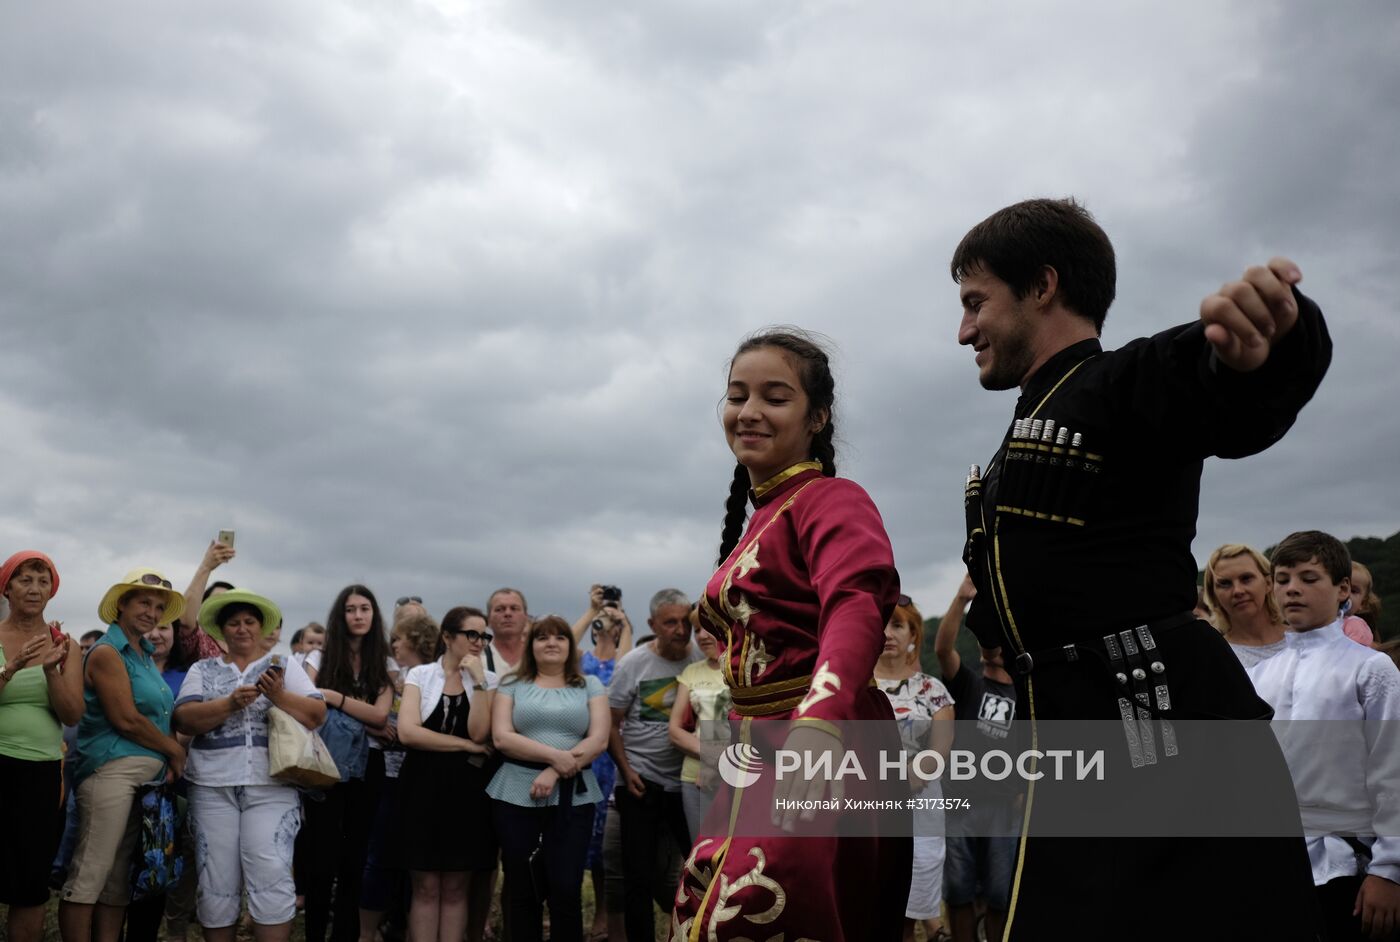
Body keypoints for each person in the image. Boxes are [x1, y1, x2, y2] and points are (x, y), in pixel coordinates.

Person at [949, 197, 1329, 938]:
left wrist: (1270, 339)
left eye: (975, 303)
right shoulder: (1031, 420)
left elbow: (1216, 379)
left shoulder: (1122, 383)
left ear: (1043, 286)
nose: (963, 330)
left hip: (1157, 734)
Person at [672, 329, 911, 942]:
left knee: (767, 909)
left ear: (818, 417)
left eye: (774, 398)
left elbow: (856, 604)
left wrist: (820, 719)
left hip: (821, 746)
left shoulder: (831, 500)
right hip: (758, 752)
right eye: (736, 395)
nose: (748, 412)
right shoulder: (764, 517)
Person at [1248, 531, 1400, 941]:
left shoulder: (1371, 669)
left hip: (1350, 867)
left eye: (1309, 578)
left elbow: (1392, 768)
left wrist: (1390, 869)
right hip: (1272, 866)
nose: (1292, 589)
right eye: (1282, 579)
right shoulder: (1258, 676)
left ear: (1343, 590)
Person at [173, 588, 325, 942]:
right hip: (212, 786)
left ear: (260, 628)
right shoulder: (203, 669)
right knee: (216, 878)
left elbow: (317, 714)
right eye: (234, 623)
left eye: (249, 622)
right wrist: (228, 704)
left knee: (271, 872)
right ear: (222, 631)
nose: (242, 629)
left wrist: (279, 696)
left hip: (272, 785)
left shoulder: (285, 665)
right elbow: (183, 719)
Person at [59, 569, 188, 942]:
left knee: (118, 878)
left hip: (144, 778)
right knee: (91, 872)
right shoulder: (106, 651)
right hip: (110, 770)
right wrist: (174, 751)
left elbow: (157, 715)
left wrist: (166, 756)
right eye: (143, 603)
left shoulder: (144, 655)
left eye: (159, 607)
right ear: (121, 606)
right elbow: (127, 719)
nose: (152, 612)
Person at [487, 615, 609, 942]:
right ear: (532, 645)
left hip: (574, 796)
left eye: (560, 637)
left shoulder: (590, 686)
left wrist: (555, 770)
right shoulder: (512, 683)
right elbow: (501, 736)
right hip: (515, 794)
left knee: (566, 888)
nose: (551, 643)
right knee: (522, 889)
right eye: (542, 637)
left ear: (571, 646)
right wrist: (554, 756)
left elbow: (599, 739)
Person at [397, 606, 497, 942]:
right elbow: (408, 733)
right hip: (421, 786)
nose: (479, 642)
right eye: (472, 634)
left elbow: (481, 733)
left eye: (484, 636)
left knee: (457, 886)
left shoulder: (490, 681)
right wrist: (464, 746)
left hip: (468, 791)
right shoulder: (420, 676)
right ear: (447, 637)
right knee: (425, 884)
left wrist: (480, 681)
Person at [302, 586, 394, 942]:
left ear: (374, 615)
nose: (358, 616)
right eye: (351, 609)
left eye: (365, 608)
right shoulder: (317, 658)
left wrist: (334, 697)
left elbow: (382, 714)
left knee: (355, 860)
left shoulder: (385, 664)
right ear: (340, 616)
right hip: (324, 761)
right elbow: (309, 706)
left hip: (369, 765)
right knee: (321, 859)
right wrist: (362, 714)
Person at [932, 574, 1020, 942]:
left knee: (1001, 894)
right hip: (959, 802)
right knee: (958, 889)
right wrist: (962, 598)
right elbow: (942, 650)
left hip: (1005, 807)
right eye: (984, 639)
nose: (989, 644)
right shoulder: (968, 683)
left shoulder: (1026, 696)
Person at [609, 589, 700, 942]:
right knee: (637, 875)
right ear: (653, 625)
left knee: (697, 866)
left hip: (688, 780)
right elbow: (612, 723)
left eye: (685, 622)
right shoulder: (633, 664)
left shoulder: (699, 657)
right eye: (670, 623)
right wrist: (626, 770)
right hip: (640, 779)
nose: (681, 630)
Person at [0, 551, 81, 942]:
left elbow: (71, 715)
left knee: (31, 881)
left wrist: (51, 670)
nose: (34, 589)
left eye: (42, 581)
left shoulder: (65, 645)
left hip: (40, 771)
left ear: (52, 590)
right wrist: (11, 667)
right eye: (25, 579)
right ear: (7, 587)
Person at [875, 596, 954, 942]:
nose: (888, 633)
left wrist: (911, 777)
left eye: (897, 624)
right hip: (865, 807)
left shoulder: (932, 690)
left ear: (913, 636)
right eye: (882, 624)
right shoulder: (854, 688)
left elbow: (940, 749)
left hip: (920, 808)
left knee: (909, 912)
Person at [359, 613, 435, 942]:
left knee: (415, 861)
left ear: (416, 641)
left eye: (398, 640)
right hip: (385, 775)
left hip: (422, 778)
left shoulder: (435, 679)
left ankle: (402, 927)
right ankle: (367, 932)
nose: (394, 646)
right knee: (380, 855)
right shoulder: (390, 677)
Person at [573, 586, 631, 942]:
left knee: (608, 845)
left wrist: (623, 623)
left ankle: (604, 915)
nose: (605, 625)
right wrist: (590, 608)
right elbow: (568, 640)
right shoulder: (582, 658)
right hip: (586, 751)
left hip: (614, 755)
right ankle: (584, 909)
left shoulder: (624, 659)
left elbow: (623, 669)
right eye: (600, 622)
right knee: (586, 842)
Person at [667, 617, 731, 848]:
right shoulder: (692, 672)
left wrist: (719, 765)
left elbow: (754, 726)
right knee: (702, 857)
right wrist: (712, 759)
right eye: (696, 629)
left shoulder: (744, 667)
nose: (702, 635)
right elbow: (675, 731)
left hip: (742, 776)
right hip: (695, 779)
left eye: (709, 627)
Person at [1204, 544, 1288, 669]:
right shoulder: (1215, 657)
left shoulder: (1305, 638)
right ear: (1213, 595)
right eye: (1225, 584)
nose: (1238, 591)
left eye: (1246, 578)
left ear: (1268, 583)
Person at [485, 588, 529, 674]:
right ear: (488, 619)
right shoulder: (477, 659)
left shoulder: (539, 658)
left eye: (514, 608)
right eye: (499, 609)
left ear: (526, 617)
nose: (507, 613)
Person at [1351, 562, 1385, 638]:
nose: (1346, 594)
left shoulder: (1356, 626)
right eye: (1341, 587)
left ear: (1362, 603)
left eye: (1353, 591)